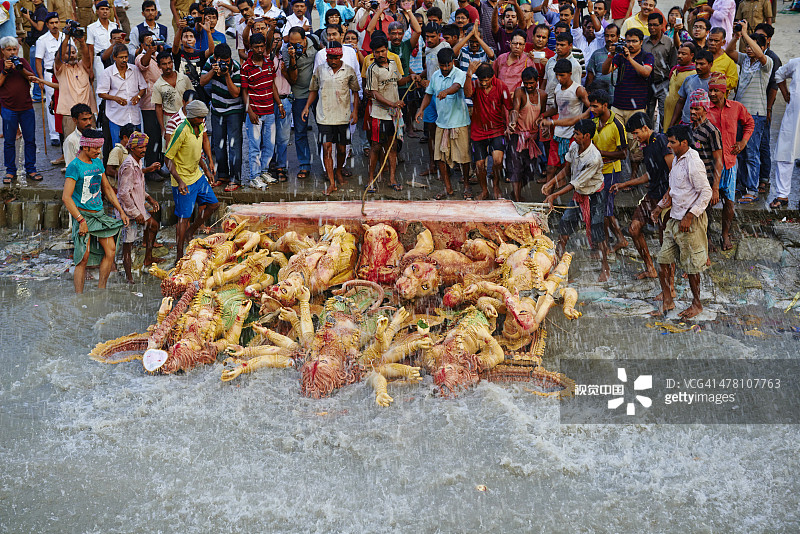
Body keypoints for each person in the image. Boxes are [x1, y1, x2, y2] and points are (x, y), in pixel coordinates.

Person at [651, 124, 711, 319]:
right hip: (674, 219)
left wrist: (690, 216)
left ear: (684, 143)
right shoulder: (677, 159)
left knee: (693, 267)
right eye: (669, 141)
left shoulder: (693, 162)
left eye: (672, 142)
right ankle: (668, 300)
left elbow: (706, 192)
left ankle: (697, 304)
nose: (669, 145)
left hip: (689, 221)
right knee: (663, 260)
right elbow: (673, 189)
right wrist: (660, 206)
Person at [62, 129, 129, 294]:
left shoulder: (98, 163)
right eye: (96, 149)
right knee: (82, 259)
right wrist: (80, 220)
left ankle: (101, 291)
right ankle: (79, 297)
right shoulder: (74, 167)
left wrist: (120, 210)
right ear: (85, 147)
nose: (99, 152)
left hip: (99, 215)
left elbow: (106, 187)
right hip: (83, 217)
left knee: (111, 250)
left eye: (100, 148)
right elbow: (66, 197)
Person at [543, 119, 610, 282]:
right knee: (564, 227)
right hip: (580, 193)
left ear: (587, 136)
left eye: (577, 134)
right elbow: (567, 169)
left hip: (594, 194)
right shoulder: (574, 146)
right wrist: (551, 183)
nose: (574, 136)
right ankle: (557, 266)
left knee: (598, 231)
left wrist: (553, 195)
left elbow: (575, 183)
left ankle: (605, 267)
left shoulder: (594, 158)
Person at [610, 111, 673, 279]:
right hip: (652, 194)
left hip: (666, 196)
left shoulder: (661, 141)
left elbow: (675, 172)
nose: (635, 137)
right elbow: (649, 175)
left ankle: (670, 283)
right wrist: (624, 184)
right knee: (634, 228)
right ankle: (650, 268)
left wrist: (667, 199)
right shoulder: (646, 144)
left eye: (636, 133)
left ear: (645, 128)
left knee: (665, 240)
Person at [303, 41, 359, 195]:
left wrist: (355, 112)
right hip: (324, 116)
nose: (333, 60)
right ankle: (332, 182)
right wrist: (307, 106)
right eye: (330, 57)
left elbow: (355, 92)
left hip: (343, 116)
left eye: (335, 57)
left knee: (342, 149)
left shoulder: (349, 71)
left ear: (341, 56)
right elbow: (313, 90)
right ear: (326, 56)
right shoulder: (320, 70)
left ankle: (339, 170)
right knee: (327, 148)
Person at [164, 100, 218, 260]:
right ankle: (179, 256)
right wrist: (180, 181)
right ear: (193, 116)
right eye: (200, 117)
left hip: (197, 175)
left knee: (213, 204)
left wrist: (207, 169)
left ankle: (190, 232)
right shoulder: (181, 131)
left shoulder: (200, 127)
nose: (203, 120)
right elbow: (168, 159)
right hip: (183, 179)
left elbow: (197, 152)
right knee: (183, 218)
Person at [724, 22, 770, 205]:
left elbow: (759, 55)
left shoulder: (767, 62)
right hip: (739, 113)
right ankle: (742, 186)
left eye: (754, 46)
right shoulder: (744, 59)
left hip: (755, 114)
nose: (749, 49)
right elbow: (729, 51)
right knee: (738, 150)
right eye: (748, 46)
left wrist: (746, 33)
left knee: (751, 152)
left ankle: (752, 189)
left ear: (764, 46)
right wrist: (737, 37)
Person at [706, 72, 753, 249]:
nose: (712, 94)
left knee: (729, 202)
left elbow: (750, 123)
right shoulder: (705, 109)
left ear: (724, 91)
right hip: (710, 164)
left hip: (730, 163)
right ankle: (708, 236)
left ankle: (725, 235)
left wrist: (743, 142)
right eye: (710, 90)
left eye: (716, 91)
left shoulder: (736, 107)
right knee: (707, 203)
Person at [415, 47, 469, 199]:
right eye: (442, 66)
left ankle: (466, 185)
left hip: (459, 122)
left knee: (464, 158)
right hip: (442, 122)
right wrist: (421, 110)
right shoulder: (436, 75)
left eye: (448, 65)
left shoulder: (459, 74)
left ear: (453, 62)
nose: (445, 69)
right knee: (440, 158)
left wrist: (446, 92)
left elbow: (457, 86)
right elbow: (428, 94)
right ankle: (448, 188)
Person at [601, 28, 653, 178]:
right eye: (628, 41)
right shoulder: (619, 56)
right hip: (618, 105)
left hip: (636, 108)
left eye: (634, 41)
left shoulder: (647, 56)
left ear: (641, 42)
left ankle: (633, 176)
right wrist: (611, 55)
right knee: (613, 138)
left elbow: (645, 72)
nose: (630, 44)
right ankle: (613, 174)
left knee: (635, 142)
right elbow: (605, 71)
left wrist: (630, 59)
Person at [366, 35, 411, 192]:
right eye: (377, 52)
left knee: (392, 148)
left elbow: (398, 81)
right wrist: (392, 103)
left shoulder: (393, 64)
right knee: (376, 147)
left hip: (393, 114)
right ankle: (371, 179)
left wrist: (411, 78)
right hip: (379, 115)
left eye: (383, 51)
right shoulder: (372, 69)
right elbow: (374, 93)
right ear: (373, 53)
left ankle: (392, 178)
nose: (380, 54)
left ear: (387, 50)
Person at [541, 58, 591, 195]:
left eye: (562, 75)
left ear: (570, 74)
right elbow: (557, 110)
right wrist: (543, 115)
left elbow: (591, 109)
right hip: (558, 133)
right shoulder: (557, 88)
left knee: (571, 169)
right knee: (551, 168)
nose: (559, 78)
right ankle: (548, 196)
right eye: (557, 75)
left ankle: (574, 197)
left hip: (572, 135)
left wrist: (579, 118)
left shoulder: (578, 90)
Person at [117, 131, 161, 283]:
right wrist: (136, 213)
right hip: (129, 210)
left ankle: (148, 258)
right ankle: (129, 278)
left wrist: (149, 198)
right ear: (132, 148)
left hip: (138, 204)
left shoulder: (138, 162)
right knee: (128, 245)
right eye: (140, 147)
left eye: (145, 147)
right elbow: (123, 194)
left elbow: (137, 186)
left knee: (154, 226)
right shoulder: (129, 165)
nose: (143, 150)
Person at [243, 32, 286, 189]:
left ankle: (264, 172)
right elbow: (244, 91)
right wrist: (250, 111)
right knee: (254, 146)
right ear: (251, 48)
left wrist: (279, 104)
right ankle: (254, 176)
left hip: (269, 110)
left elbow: (272, 85)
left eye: (262, 46)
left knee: (269, 144)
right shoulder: (246, 67)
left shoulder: (269, 64)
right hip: (255, 112)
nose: (260, 49)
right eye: (256, 47)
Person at [464, 61, 511, 200]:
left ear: (493, 77)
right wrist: (468, 75)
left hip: (497, 130)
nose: (484, 83)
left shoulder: (501, 86)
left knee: (497, 160)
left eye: (486, 80)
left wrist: (511, 124)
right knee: (479, 165)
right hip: (478, 131)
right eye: (481, 80)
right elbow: (467, 94)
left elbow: (510, 107)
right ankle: (484, 190)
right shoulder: (475, 84)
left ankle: (496, 185)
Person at [200, 42, 243, 191]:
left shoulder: (236, 67)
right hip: (217, 109)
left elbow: (236, 93)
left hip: (234, 110)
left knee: (234, 146)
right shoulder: (210, 62)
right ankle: (222, 175)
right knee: (218, 145)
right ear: (215, 58)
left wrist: (226, 75)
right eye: (222, 61)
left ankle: (235, 179)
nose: (225, 63)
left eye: (227, 61)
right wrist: (213, 71)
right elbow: (202, 81)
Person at [0, 35, 40, 184]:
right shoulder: (0, 64)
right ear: (3, 51)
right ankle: (10, 170)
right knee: (9, 141)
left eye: (14, 49)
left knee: (30, 139)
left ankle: (31, 168)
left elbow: (32, 77)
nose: (12, 53)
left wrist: (20, 69)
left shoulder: (22, 61)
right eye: (8, 50)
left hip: (26, 107)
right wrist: (5, 70)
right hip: (8, 108)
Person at [283, 26, 318, 181]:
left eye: (298, 43)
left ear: (305, 39)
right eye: (291, 43)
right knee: (300, 131)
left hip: (317, 92)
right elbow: (293, 79)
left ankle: (330, 165)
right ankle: (304, 164)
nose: (295, 46)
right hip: (299, 94)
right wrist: (292, 58)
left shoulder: (315, 41)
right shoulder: (286, 51)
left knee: (324, 128)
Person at [506, 66, 545, 202]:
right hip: (518, 136)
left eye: (531, 83)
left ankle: (515, 193)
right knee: (516, 169)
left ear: (537, 81)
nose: (528, 86)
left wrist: (542, 120)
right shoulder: (519, 92)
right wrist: (512, 122)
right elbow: (515, 109)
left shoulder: (543, 95)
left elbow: (543, 114)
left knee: (529, 172)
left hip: (533, 139)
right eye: (526, 83)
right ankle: (517, 198)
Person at [97, 43, 147, 145]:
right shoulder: (108, 72)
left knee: (136, 145)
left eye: (126, 57)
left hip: (134, 115)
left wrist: (138, 96)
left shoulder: (134, 69)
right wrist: (115, 98)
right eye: (121, 57)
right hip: (116, 116)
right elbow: (101, 93)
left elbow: (143, 88)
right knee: (118, 146)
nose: (124, 60)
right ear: (114, 57)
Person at [771, 58, 800, 209]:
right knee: (785, 153)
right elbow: (779, 74)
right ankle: (782, 195)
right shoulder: (796, 63)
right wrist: (785, 94)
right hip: (794, 117)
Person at [643, 12, 676, 131]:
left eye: (655, 25)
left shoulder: (669, 42)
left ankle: (663, 138)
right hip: (647, 83)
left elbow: (673, 64)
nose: (652, 28)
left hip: (664, 82)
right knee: (648, 113)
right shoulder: (644, 43)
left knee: (664, 114)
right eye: (650, 25)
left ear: (661, 25)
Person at [34, 11, 62, 148]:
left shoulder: (65, 37)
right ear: (47, 25)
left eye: (56, 22)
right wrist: (40, 79)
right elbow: (38, 61)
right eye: (51, 23)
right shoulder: (42, 40)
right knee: (52, 104)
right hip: (50, 75)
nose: (54, 25)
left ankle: (65, 130)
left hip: (65, 75)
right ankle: (54, 134)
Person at [152, 50, 193, 142]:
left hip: (186, 119)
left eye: (169, 63)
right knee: (170, 150)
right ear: (159, 66)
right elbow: (158, 107)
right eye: (164, 64)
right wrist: (163, 128)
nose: (167, 66)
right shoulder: (158, 85)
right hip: (169, 120)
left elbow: (192, 97)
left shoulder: (184, 78)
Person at [671, 47, 712, 127]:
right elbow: (681, 101)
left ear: (710, 65)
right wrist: (672, 123)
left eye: (702, 64)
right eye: (697, 63)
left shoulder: (713, 83)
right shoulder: (689, 79)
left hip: (703, 125)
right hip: (686, 122)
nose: (698, 67)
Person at [86, 0, 121, 82]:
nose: (105, 11)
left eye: (107, 9)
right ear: (97, 11)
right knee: (102, 85)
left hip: (114, 59)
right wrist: (90, 68)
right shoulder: (91, 28)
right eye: (102, 9)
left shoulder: (114, 26)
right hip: (99, 61)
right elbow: (90, 50)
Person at [663, 41, 695, 128]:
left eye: (683, 54)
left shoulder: (692, 74)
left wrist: (673, 122)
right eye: (679, 53)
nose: (679, 56)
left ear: (691, 55)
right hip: (668, 115)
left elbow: (684, 100)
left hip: (679, 119)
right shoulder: (675, 70)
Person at [22, 0, 46, 103]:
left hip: (39, 45)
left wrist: (28, 19)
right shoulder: (37, 10)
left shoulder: (41, 11)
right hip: (35, 43)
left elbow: (39, 27)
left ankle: (37, 95)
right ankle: (38, 93)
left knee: (37, 71)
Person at [585, 23, 619, 96]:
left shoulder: (622, 55)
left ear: (618, 37)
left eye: (612, 36)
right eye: (607, 36)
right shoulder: (597, 54)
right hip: (599, 97)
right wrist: (588, 92)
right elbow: (590, 76)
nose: (609, 39)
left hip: (618, 97)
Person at [706, 27, 736, 95]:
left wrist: (717, 80)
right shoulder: (702, 56)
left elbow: (733, 82)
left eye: (716, 41)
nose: (712, 43)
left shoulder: (728, 61)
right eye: (710, 40)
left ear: (723, 42)